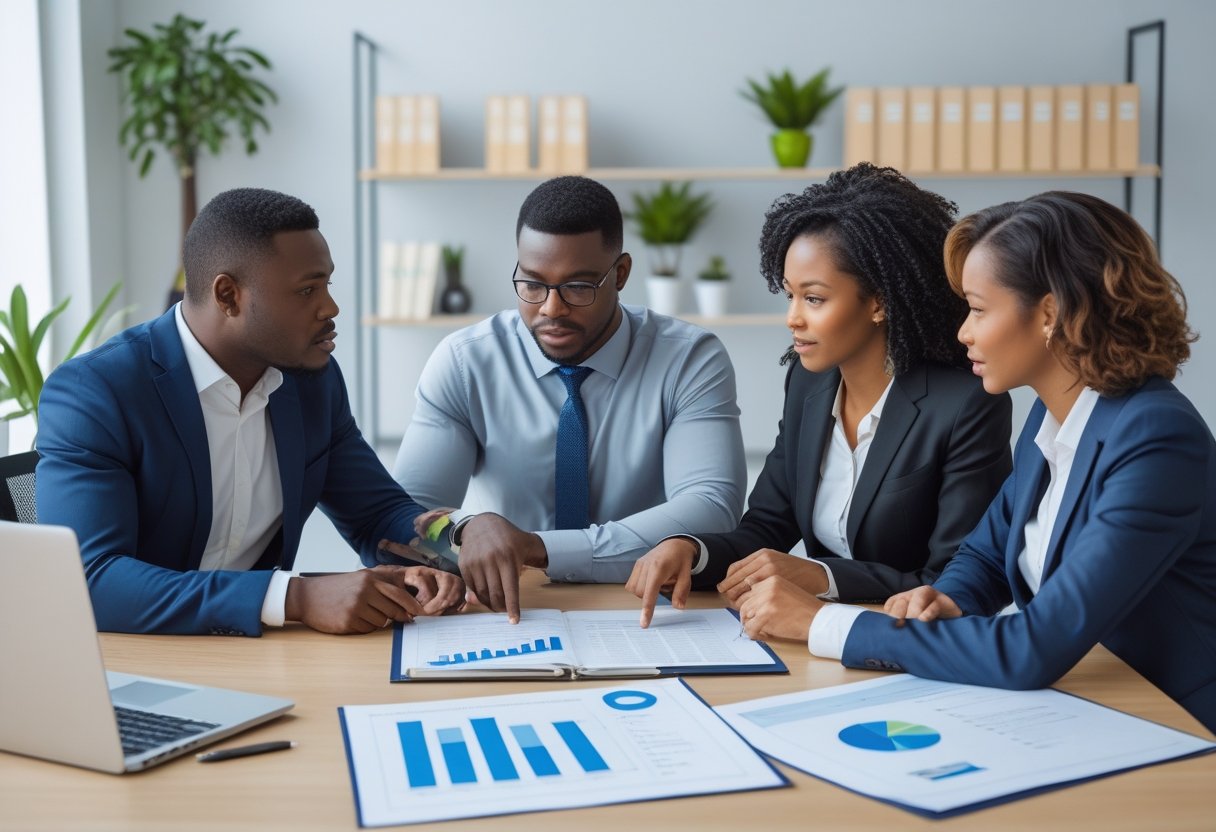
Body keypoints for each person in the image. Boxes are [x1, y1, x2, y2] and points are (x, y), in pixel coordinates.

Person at [734, 191, 1216, 733]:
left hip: (1177, 719)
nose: (962, 330)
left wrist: (825, 623)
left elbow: (1033, 648)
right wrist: (946, 599)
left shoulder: (1155, 438)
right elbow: (985, 558)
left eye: (979, 310)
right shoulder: (1052, 418)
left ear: (1050, 314)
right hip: (1094, 699)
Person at [36, 187, 464, 637]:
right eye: (306, 290)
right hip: (134, 663)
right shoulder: (98, 392)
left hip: (254, 654)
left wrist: (460, 543)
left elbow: (377, 514)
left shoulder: (311, 381)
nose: (330, 307)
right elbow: (91, 580)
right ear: (228, 295)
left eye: (327, 285)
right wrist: (293, 596)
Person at [627, 163, 1012, 627]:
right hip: (806, 635)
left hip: (900, 643)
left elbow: (950, 582)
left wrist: (820, 575)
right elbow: (766, 527)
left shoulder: (964, 404)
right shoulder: (809, 384)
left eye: (813, 298)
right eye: (789, 295)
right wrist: (691, 549)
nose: (792, 318)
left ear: (878, 303)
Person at [392, 175, 746, 622]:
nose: (550, 309)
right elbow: (407, 512)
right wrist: (466, 531)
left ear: (620, 274)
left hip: (645, 605)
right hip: (508, 608)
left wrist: (538, 547)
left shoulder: (687, 358)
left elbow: (712, 507)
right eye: (532, 284)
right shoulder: (466, 361)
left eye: (578, 287)